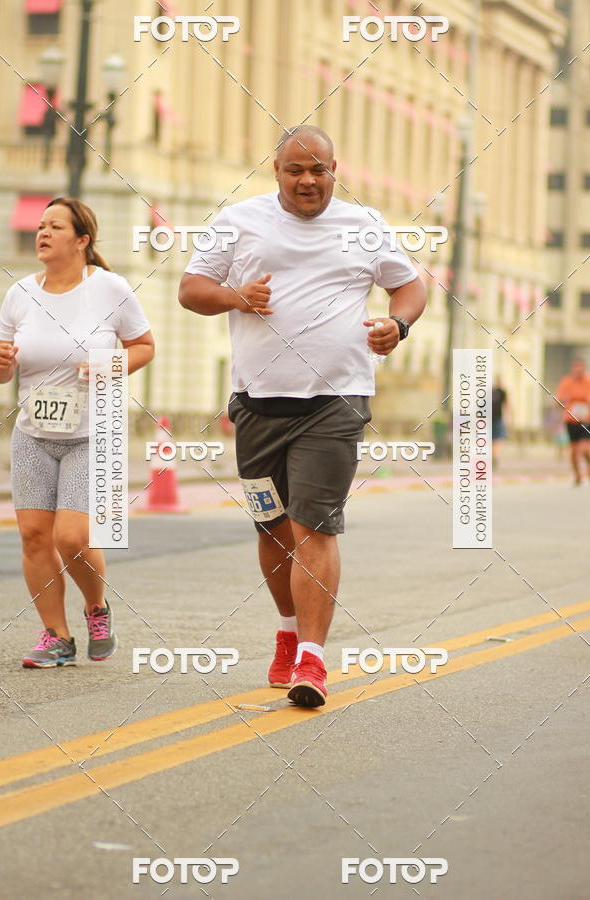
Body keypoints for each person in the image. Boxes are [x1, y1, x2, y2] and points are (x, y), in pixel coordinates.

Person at [178, 125, 426, 707]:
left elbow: (410, 285)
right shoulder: (239, 221)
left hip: (335, 402)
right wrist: (237, 297)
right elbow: (191, 289)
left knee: (314, 526)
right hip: (258, 404)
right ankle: (288, 632)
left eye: (319, 170)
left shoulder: (364, 224)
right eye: (296, 170)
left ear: (336, 170)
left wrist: (398, 325)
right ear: (277, 171)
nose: (308, 180)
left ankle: (311, 659)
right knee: (272, 528)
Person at [0, 197, 154, 667]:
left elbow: (144, 345)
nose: (42, 232)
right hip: (32, 434)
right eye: (40, 225)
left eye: (55, 226)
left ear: (82, 240)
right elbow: (2, 367)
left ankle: (96, 607)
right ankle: (56, 636)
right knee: (33, 536)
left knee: (71, 537)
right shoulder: (20, 293)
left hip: (92, 434)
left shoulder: (109, 288)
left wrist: (109, 365)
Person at [555, 359, 590, 485]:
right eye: (575, 368)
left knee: (584, 449)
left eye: (580, 368)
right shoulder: (566, 382)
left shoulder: (588, 381)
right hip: (571, 420)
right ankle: (577, 474)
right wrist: (562, 403)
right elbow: (558, 400)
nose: (578, 371)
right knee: (574, 451)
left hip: (586, 420)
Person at [491, 378, 508, 468]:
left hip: (489, 418)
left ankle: (493, 455)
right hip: (498, 418)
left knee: (491, 438)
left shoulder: (490, 393)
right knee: (497, 439)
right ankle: (495, 455)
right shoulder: (502, 392)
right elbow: (506, 405)